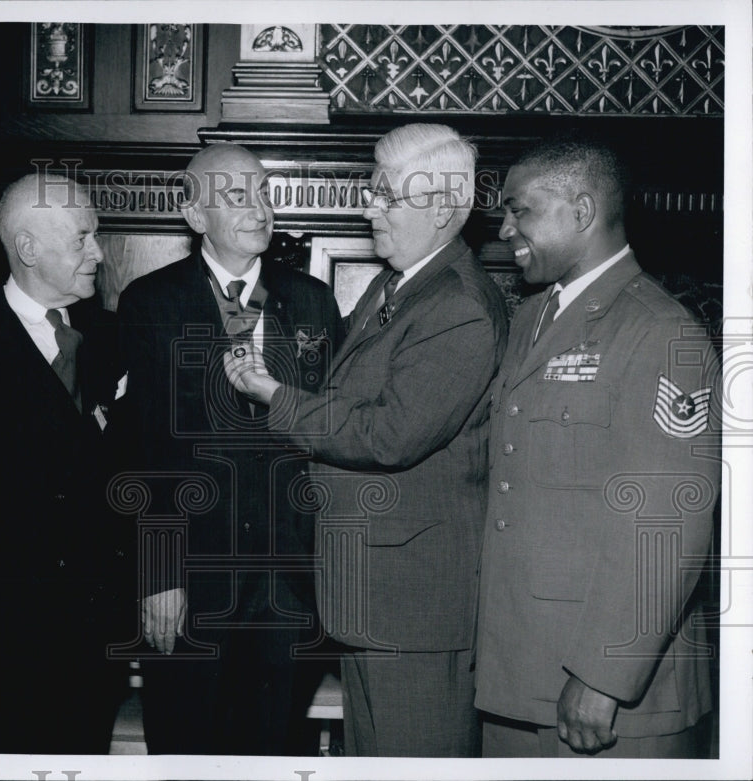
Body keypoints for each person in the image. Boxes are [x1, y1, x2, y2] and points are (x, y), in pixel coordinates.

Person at [226, 123, 508, 756]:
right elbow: (347, 396)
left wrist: (275, 396)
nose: (368, 207)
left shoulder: (458, 306)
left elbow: (388, 435)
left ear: (442, 208)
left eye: (387, 196)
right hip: (372, 594)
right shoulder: (396, 284)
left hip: (416, 607)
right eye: (370, 190)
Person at [475, 135, 720, 757]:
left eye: (519, 209)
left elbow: (668, 517)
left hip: (604, 694)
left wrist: (605, 675)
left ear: (581, 211)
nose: (503, 229)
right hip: (522, 672)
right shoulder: (535, 316)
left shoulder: (660, 332)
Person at [115, 142, 345, 755]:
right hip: (191, 580)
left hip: (288, 587)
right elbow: (141, 452)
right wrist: (159, 575)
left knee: (276, 751)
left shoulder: (312, 301)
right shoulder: (149, 303)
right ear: (195, 216)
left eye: (265, 194)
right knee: (186, 753)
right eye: (237, 196)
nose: (260, 210)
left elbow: (331, 431)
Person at [0, 173, 129, 754]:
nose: (98, 252)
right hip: (2, 625)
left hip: (96, 625)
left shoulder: (115, 336)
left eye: (97, 235)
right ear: (29, 248)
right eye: (83, 237)